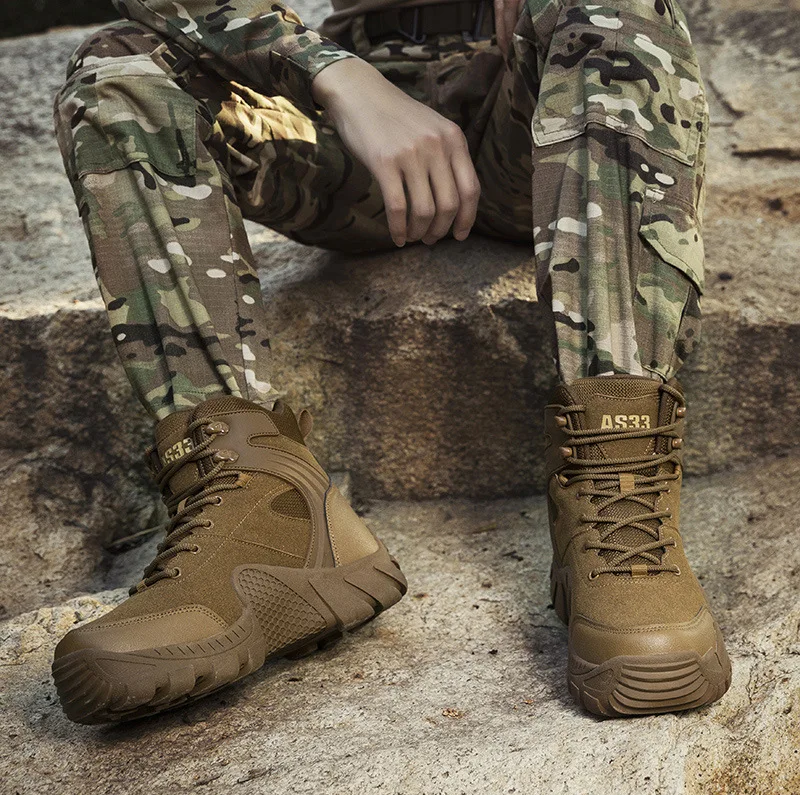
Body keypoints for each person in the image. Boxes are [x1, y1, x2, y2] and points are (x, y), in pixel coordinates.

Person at [51, 0, 730, 724]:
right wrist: (332, 72)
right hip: (346, 147)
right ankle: (258, 498)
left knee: (614, 8)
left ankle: (618, 478)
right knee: (122, 66)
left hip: (534, 119)